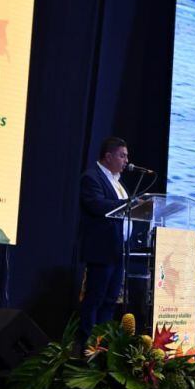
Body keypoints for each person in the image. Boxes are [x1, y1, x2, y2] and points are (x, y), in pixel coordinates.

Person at [78, 136, 131, 340]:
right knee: (96, 298)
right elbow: (96, 204)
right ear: (108, 156)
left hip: (118, 251)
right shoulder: (92, 177)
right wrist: (128, 204)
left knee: (110, 300)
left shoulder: (117, 183)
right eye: (122, 156)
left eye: (127, 156)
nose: (126, 161)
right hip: (101, 250)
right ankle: (85, 345)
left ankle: (102, 345)